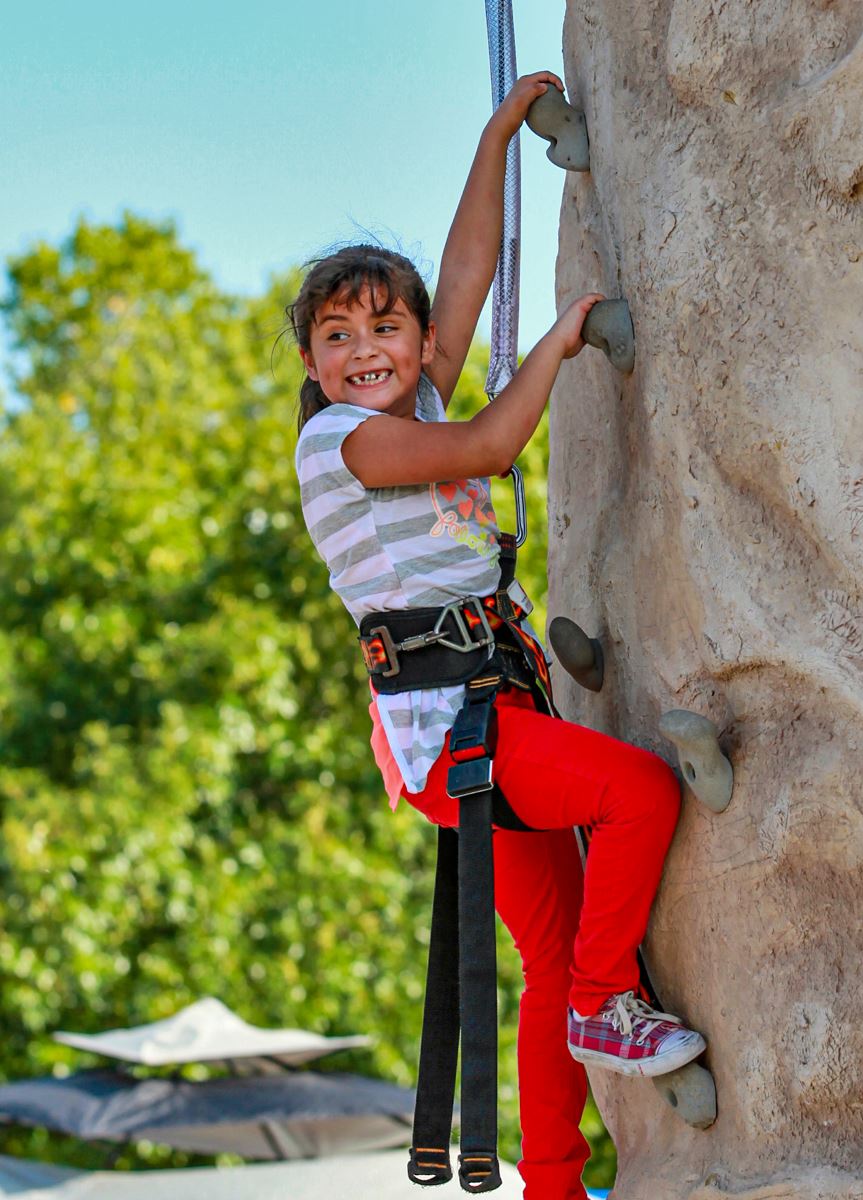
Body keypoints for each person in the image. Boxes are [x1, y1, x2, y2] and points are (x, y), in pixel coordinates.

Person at [289, 71, 705, 1200]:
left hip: (487, 711)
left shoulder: (408, 400)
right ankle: (606, 1007)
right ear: (315, 368)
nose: (366, 349)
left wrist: (496, 138)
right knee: (640, 795)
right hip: (454, 729)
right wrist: (558, 346)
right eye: (337, 336)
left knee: (549, 948)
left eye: (387, 326)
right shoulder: (342, 445)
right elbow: (483, 450)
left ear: (417, 341)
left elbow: (465, 270)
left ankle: (556, 1185)